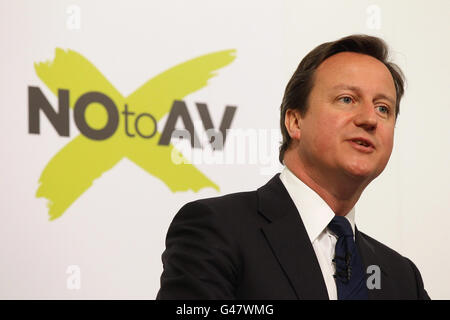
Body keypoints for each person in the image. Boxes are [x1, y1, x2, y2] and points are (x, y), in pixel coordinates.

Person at [156, 34, 430, 300]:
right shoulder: (216, 230)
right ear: (295, 122)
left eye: (383, 108)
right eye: (346, 99)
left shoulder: (401, 277)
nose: (370, 119)